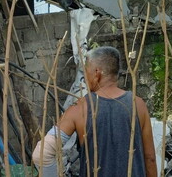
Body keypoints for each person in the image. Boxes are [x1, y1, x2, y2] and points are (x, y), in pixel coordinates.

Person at [32, 46, 157, 177]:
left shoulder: (79, 108)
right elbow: (150, 158)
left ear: (97, 73)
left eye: (86, 72)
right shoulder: (138, 104)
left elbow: (42, 154)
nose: (85, 78)